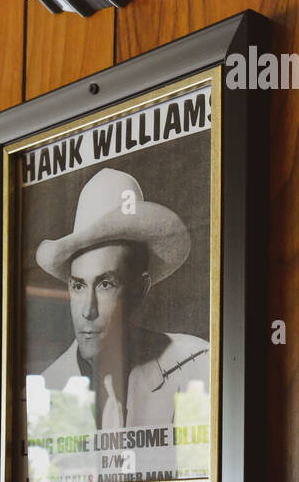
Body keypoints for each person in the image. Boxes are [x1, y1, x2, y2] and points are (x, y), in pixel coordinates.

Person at [35, 168, 210, 430]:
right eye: (79, 286)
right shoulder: (44, 392)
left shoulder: (197, 365)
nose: (88, 310)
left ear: (140, 289)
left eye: (105, 284)